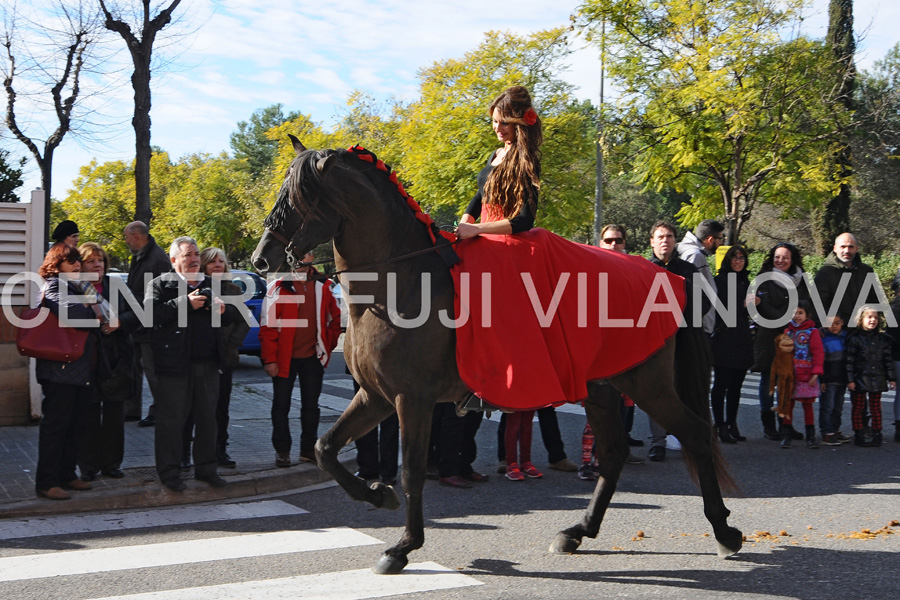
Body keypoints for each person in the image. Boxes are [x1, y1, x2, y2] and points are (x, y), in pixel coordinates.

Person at [146, 236, 240, 491]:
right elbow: (150, 315)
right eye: (188, 255)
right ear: (174, 260)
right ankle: (170, 473)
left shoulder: (213, 284)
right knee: (171, 422)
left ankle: (206, 469)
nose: (195, 259)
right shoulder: (160, 285)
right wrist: (184, 303)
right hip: (173, 364)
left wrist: (223, 310)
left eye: (196, 254)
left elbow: (238, 313)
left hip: (209, 363)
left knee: (208, 420)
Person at [32, 244, 108, 499]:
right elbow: (74, 314)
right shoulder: (54, 286)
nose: (77, 265)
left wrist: (96, 312)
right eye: (70, 261)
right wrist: (95, 312)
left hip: (79, 367)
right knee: (56, 426)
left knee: (76, 425)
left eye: (77, 260)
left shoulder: (78, 288)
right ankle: (46, 482)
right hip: (59, 367)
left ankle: (67, 475)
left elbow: (104, 315)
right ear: (56, 264)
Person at [260, 252, 342, 467]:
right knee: (281, 406)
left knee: (311, 406)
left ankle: (308, 451)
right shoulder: (278, 286)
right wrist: (270, 360)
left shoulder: (323, 285)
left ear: (312, 256)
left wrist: (325, 346)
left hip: (311, 357)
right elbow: (267, 327)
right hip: (283, 358)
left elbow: (335, 320)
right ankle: (282, 451)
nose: (301, 259)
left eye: (305, 253)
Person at [180, 248, 250, 469]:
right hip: (196, 357)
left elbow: (243, 321)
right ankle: (183, 453)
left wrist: (230, 346)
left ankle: (220, 450)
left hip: (223, 359)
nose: (218, 265)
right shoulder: (195, 288)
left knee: (221, 408)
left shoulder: (233, 290)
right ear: (203, 266)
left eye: (221, 261)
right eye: (212, 262)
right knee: (190, 409)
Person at [76, 242, 137, 481]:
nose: (97, 265)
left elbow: (138, 313)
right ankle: (88, 467)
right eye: (91, 261)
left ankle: (112, 464)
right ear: (81, 265)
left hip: (117, 358)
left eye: (100, 260)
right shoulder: (75, 288)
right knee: (88, 414)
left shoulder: (117, 285)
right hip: (88, 359)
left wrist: (119, 322)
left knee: (114, 415)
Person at [645, 221, 705, 462]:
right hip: (654, 341)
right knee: (655, 390)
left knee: (683, 389)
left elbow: (705, 302)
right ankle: (657, 442)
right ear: (651, 241)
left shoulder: (688, 269)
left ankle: (684, 438)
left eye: (669, 236)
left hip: (683, 338)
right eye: (660, 236)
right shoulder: (643, 268)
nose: (664, 240)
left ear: (675, 241)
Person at [749, 242, 809, 441]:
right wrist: (787, 320)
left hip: (794, 337)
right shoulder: (762, 279)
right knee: (769, 380)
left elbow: (807, 304)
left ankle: (786, 423)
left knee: (788, 381)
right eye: (777, 256)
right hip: (769, 336)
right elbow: (762, 306)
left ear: (792, 260)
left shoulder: (802, 280)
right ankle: (769, 426)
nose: (781, 260)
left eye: (785, 257)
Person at [123, 221, 172, 425]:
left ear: (136, 236)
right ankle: (131, 409)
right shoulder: (141, 256)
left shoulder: (157, 258)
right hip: (137, 323)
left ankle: (160, 410)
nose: (125, 241)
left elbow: (160, 294)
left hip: (149, 325)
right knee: (134, 369)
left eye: (126, 237)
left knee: (152, 370)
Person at [710, 245, 753, 444]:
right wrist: (743, 305)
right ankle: (720, 425)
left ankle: (732, 422)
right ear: (727, 260)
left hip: (742, 337)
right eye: (734, 258)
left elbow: (748, 313)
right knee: (721, 384)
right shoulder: (719, 281)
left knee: (737, 385)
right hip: (724, 338)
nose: (738, 261)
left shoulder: (746, 281)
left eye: (741, 258)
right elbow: (719, 310)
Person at [845, 305, 896, 447]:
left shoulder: (883, 339)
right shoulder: (854, 338)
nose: (872, 320)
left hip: (877, 376)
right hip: (859, 376)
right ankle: (859, 434)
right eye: (869, 317)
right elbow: (849, 361)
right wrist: (850, 380)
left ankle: (877, 434)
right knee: (858, 407)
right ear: (861, 320)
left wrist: (891, 378)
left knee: (876, 407)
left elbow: (887, 360)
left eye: (875, 317)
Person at [779, 300, 824, 449]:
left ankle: (810, 436)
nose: (797, 316)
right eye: (794, 313)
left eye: (800, 313)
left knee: (807, 404)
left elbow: (818, 352)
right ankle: (786, 435)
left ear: (807, 315)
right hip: (790, 373)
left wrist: (816, 372)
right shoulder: (788, 332)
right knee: (788, 404)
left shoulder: (813, 332)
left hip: (806, 373)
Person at [813, 233, 878, 326]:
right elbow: (818, 305)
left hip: (861, 330)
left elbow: (874, 300)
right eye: (842, 247)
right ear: (835, 248)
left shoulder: (866, 271)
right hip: (836, 331)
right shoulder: (825, 273)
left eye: (851, 247)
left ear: (856, 249)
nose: (846, 250)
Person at [676, 219, 725, 334]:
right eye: (720, 239)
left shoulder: (696, 254)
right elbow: (691, 291)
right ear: (710, 239)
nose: (721, 243)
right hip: (699, 328)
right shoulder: (695, 255)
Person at [818, 313, 851, 446]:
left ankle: (835, 429)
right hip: (829, 377)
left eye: (837, 323)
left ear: (842, 322)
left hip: (842, 377)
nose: (834, 326)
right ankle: (827, 432)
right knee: (828, 406)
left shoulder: (846, 337)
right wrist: (823, 379)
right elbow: (821, 361)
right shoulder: (823, 339)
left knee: (838, 406)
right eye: (831, 323)